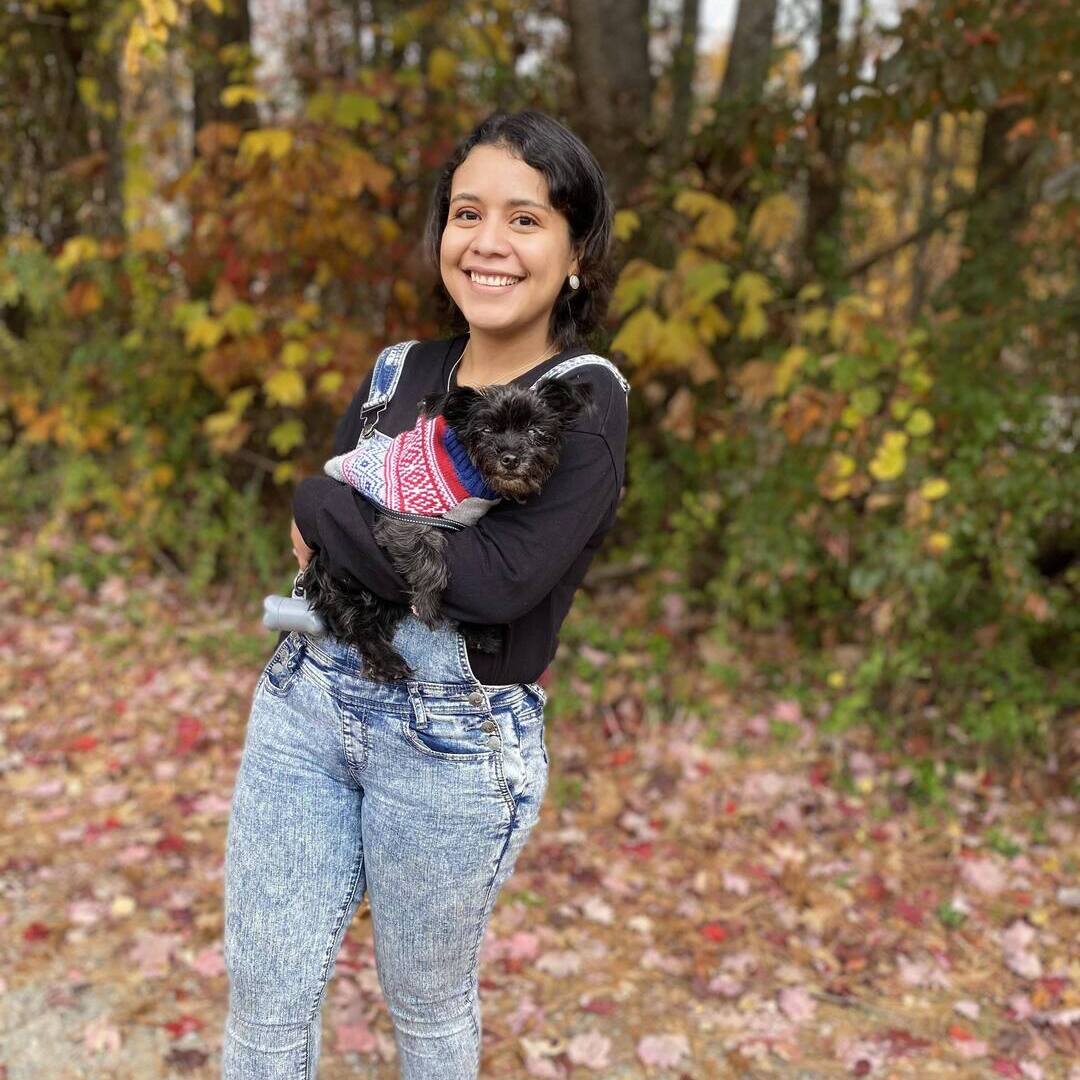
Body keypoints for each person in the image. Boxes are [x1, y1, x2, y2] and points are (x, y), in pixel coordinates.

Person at [222, 109, 630, 1079]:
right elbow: (337, 530)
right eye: (467, 213)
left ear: (576, 251)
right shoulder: (400, 370)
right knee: (262, 1000)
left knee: (428, 1007)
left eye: (525, 219)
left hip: (451, 739)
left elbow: (490, 584)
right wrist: (335, 516)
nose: (487, 241)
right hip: (306, 703)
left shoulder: (583, 397)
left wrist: (325, 507)